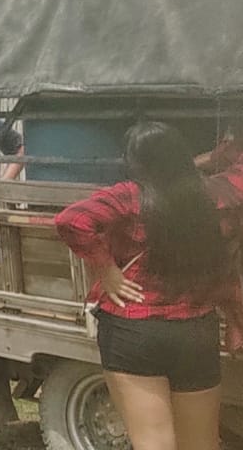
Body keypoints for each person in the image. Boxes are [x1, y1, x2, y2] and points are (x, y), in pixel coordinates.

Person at [54, 121, 243, 450]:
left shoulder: (129, 196)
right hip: (196, 329)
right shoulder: (219, 193)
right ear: (182, 154)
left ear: (134, 163)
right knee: (201, 444)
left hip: (134, 329)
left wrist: (106, 268)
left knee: (154, 442)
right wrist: (218, 156)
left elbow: (71, 220)